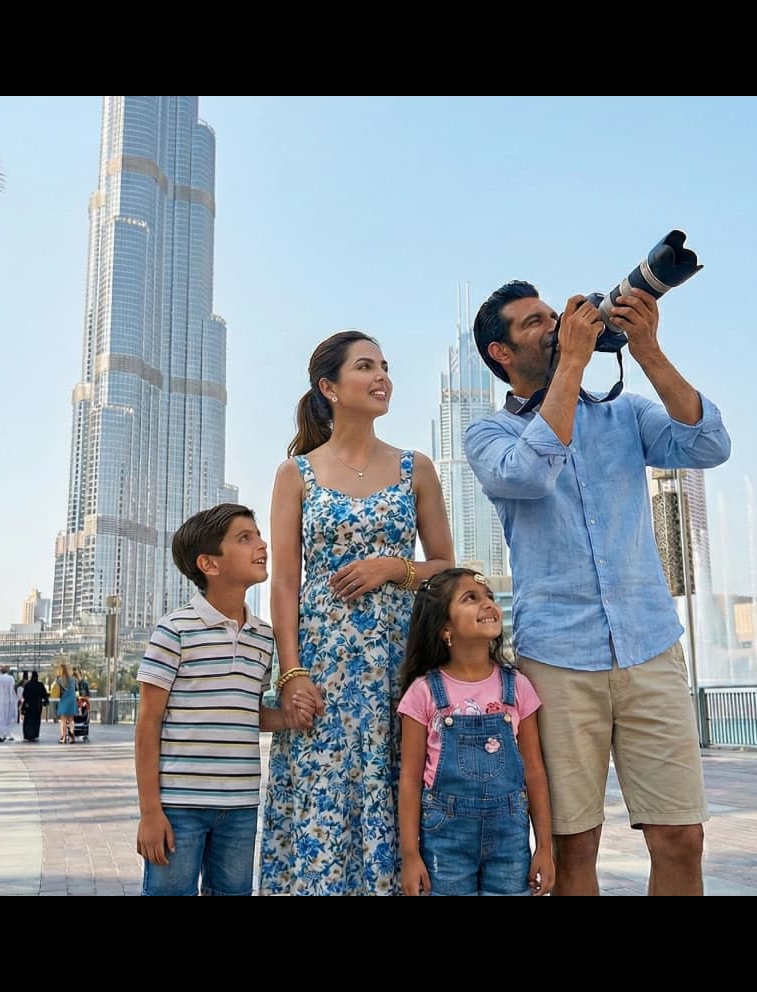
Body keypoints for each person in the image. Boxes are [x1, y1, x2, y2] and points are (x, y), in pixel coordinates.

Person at [466, 281, 731, 896]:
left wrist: (648, 350)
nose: (555, 327)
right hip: (557, 660)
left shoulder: (625, 412)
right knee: (573, 846)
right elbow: (529, 475)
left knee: (681, 837)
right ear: (501, 352)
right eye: (535, 323)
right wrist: (574, 365)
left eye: (552, 316)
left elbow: (710, 445)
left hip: (650, 646)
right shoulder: (488, 434)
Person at [259, 330, 455, 896]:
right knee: (321, 798)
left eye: (384, 366)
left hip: (399, 665)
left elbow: (446, 566)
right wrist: (292, 673)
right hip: (324, 668)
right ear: (330, 387)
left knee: (401, 784)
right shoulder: (296, 473)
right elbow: (285, 584)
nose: (382, 377)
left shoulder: (415, 468)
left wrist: (396, 567)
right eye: (366, 366)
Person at [134, 503, 308, 896]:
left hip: (241, 806)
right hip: (179, 806)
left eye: (258, 535)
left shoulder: (264, 637)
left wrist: (289, 718)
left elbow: (246, 711)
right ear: (209, 564)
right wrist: (150, 813)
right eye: (244, 538)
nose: (262, 544)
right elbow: (148, 724)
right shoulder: (174, 630)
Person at [397, 568, 554, 896]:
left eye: (490, 597)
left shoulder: (518, 687)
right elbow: (410, 780)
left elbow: (534, 771)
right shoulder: (423, 693)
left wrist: (544, 847)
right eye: (471, 598)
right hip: (445, 841)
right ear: (445, 628)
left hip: (510, 839)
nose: (488, 604)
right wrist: (410, 855)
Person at [0, 664, 18, 743]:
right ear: (8, 670)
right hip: (7, 702)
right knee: (6, 719)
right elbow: (11, 690)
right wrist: (13, 701)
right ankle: (6, 735)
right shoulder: (10, 678)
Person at [52, 662, 79, 744]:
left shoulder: (59, 680)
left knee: (63, 720)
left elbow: (55, 688)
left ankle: (63, 738)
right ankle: (72, 735)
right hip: (72, 700)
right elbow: (76, 689)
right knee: (71, 720)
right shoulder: (73, 679)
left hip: (64, 700)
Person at [20, 671, 48, 742]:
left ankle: (27, 735)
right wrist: (45, 701)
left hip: (28, 706)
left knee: (28, 721)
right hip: (37, 706)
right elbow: (44, 694)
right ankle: (34, 735)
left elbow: (24, 695)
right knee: (36, 721)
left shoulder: (27, 685)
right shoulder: (40, 685)